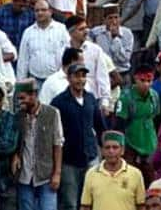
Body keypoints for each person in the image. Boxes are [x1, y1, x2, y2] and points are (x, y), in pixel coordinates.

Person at [50, 63, 105, 210]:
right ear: (68, 78)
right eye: (76, 76)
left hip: (90, 157)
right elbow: (53, 133)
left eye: (83, 76)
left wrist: (105, 150)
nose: (80, 79)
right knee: (70, 203)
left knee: (91, 200)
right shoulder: (58, 102)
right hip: (69, 161)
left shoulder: (90, 99)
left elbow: (100, 127)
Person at [15, 78, 63, 210]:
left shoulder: (52, 113)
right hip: (24, 176)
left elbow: (57, 144)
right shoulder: (18, 116)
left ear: (33, 95)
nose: (20, 102)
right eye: (18, 98)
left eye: (23, 98)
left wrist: (57, 174)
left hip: (46, 175)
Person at [79, 131, 146, 210]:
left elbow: (141, 206)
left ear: (122, 150)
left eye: (115, 147)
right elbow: (85, 206)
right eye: (107, 147)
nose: (111, 151)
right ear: (102, 151)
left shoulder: (135, 174)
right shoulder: (91, 174)